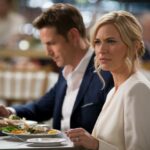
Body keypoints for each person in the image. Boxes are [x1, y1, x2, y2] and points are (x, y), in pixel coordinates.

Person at [0, 3, 113, 133]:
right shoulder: (65, 71)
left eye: (51, 43)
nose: (48, 53)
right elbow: (40, 108)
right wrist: (8, 112)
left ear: (73, 36)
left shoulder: (106, 72)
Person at [66, 10, 150, 150]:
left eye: (111, 41)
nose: (101, 50)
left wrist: (96, 144)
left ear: (134, 46)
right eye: (97, 42)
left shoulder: (137, 90)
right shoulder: (114, 91)